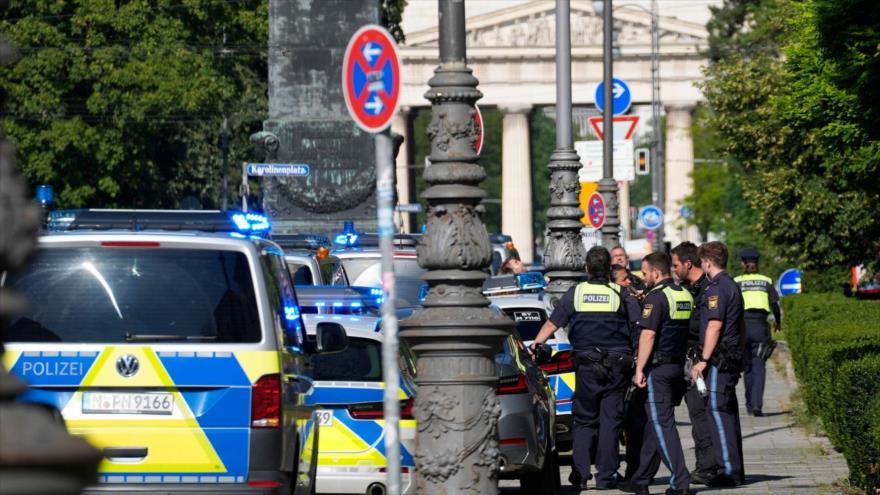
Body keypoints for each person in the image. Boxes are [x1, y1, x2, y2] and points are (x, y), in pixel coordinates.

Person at [531, 246, 640, 490]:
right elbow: (638, 326)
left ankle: (580, 474)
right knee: (611, 421)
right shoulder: (621, 294)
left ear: (587, 268)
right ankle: (606, 476)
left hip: (587, 368)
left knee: (584, 421)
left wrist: (536, 344)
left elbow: (552, 323)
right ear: (609, 269)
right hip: (616, 368)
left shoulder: (576, 293)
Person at [621, 252, 694, 495]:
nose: (643, 277)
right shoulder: (683, 294)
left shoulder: (656, 298)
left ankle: (680, 481)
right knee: (656, 424)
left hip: (658, 369)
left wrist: (639, 369)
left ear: (655, 272)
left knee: (662, 425)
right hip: (677, 368)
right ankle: (641, 478)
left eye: (644, 272)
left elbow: (648, 335)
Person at [690, 241, 745, 487]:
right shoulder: (731, 284)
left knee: (717, 411)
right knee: (727, 413)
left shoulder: (716, 289)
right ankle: (735, 469)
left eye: (702, 261)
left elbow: (714, 325)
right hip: (730, 357)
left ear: (708, 262)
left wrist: (703, 360)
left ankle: (728, 471)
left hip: (719, 360)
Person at [670, 242, 719, 484]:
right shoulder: (690, 289)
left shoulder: (706, 290)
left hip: (699, 362)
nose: (673, 269)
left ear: (688, 264)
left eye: (676, 265)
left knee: (700, 415)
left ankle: (708, 467)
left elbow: (706, 327)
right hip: (689, 360)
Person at [734, 248, 781, 417]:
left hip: (743, 328)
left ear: (743, 264)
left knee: (747, 367)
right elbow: (775, 304)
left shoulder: (737, 281)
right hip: (760, 327)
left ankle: (748, 403)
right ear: (757, 264)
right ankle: (757, 405)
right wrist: (778, 322)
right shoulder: (766, 281)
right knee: (759, 365)